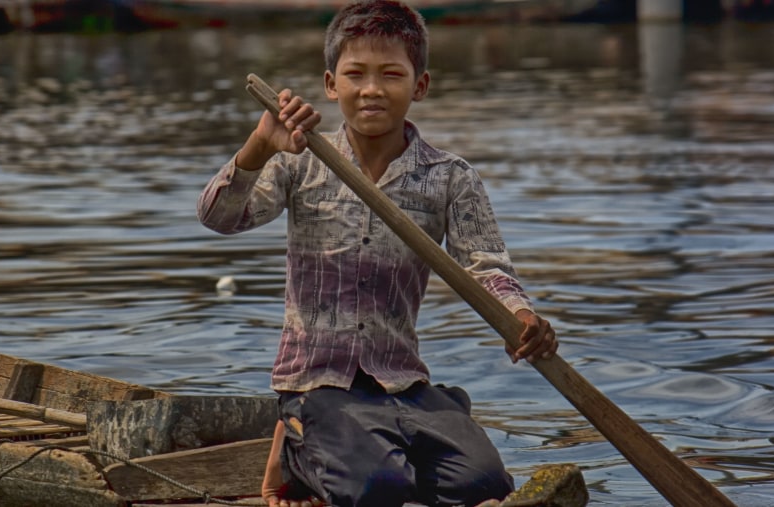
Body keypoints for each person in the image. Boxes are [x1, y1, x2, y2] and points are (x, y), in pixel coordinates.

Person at [196, 1, 558, 506]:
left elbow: (487, 268)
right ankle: (296, 443)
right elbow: (218, 217)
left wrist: (520, 314)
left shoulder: (449, 177)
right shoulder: (301, 162)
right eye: (355, 75)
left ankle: (423, 424)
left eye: (391, 74)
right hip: (319, 382)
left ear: (420, 85)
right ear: (331, 84)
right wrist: (260, 147)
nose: (371, 89)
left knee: (484, 486)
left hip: (401, 381)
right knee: (376, 489)